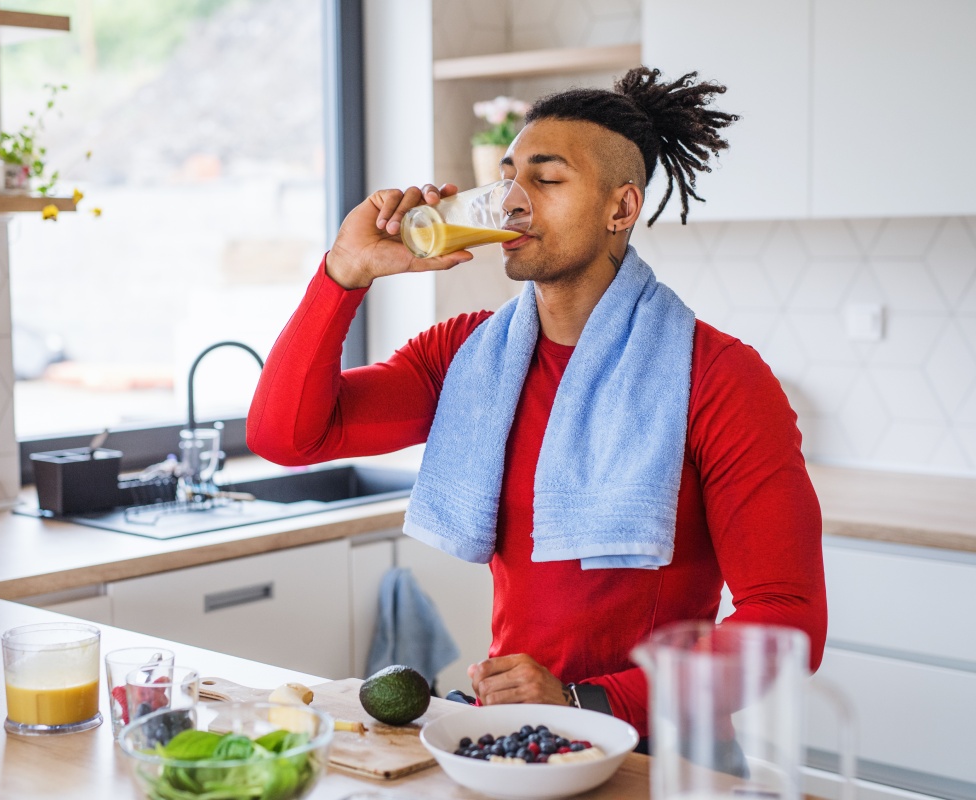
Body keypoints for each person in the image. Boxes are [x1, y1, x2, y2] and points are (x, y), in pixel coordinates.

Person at [246, 67, 827, 743]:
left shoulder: (719, 377)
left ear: (621, 209)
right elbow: (287, 436)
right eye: (508, 179)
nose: (513, 203)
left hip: (661, 753)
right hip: (518, 736)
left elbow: (787, 621)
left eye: (546, 180)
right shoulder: (466, 357)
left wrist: (585, 701)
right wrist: (344, 272)